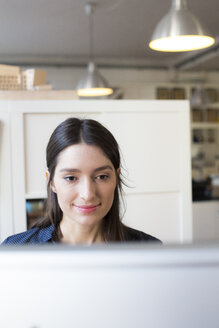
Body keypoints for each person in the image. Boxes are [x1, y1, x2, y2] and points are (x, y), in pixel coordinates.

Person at [2, 118, 161, 245]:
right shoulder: (16, 250)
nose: (88, 194)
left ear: (116, 178)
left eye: (102, 177)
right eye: (71, 178)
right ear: (52, 182)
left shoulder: (149, 250)